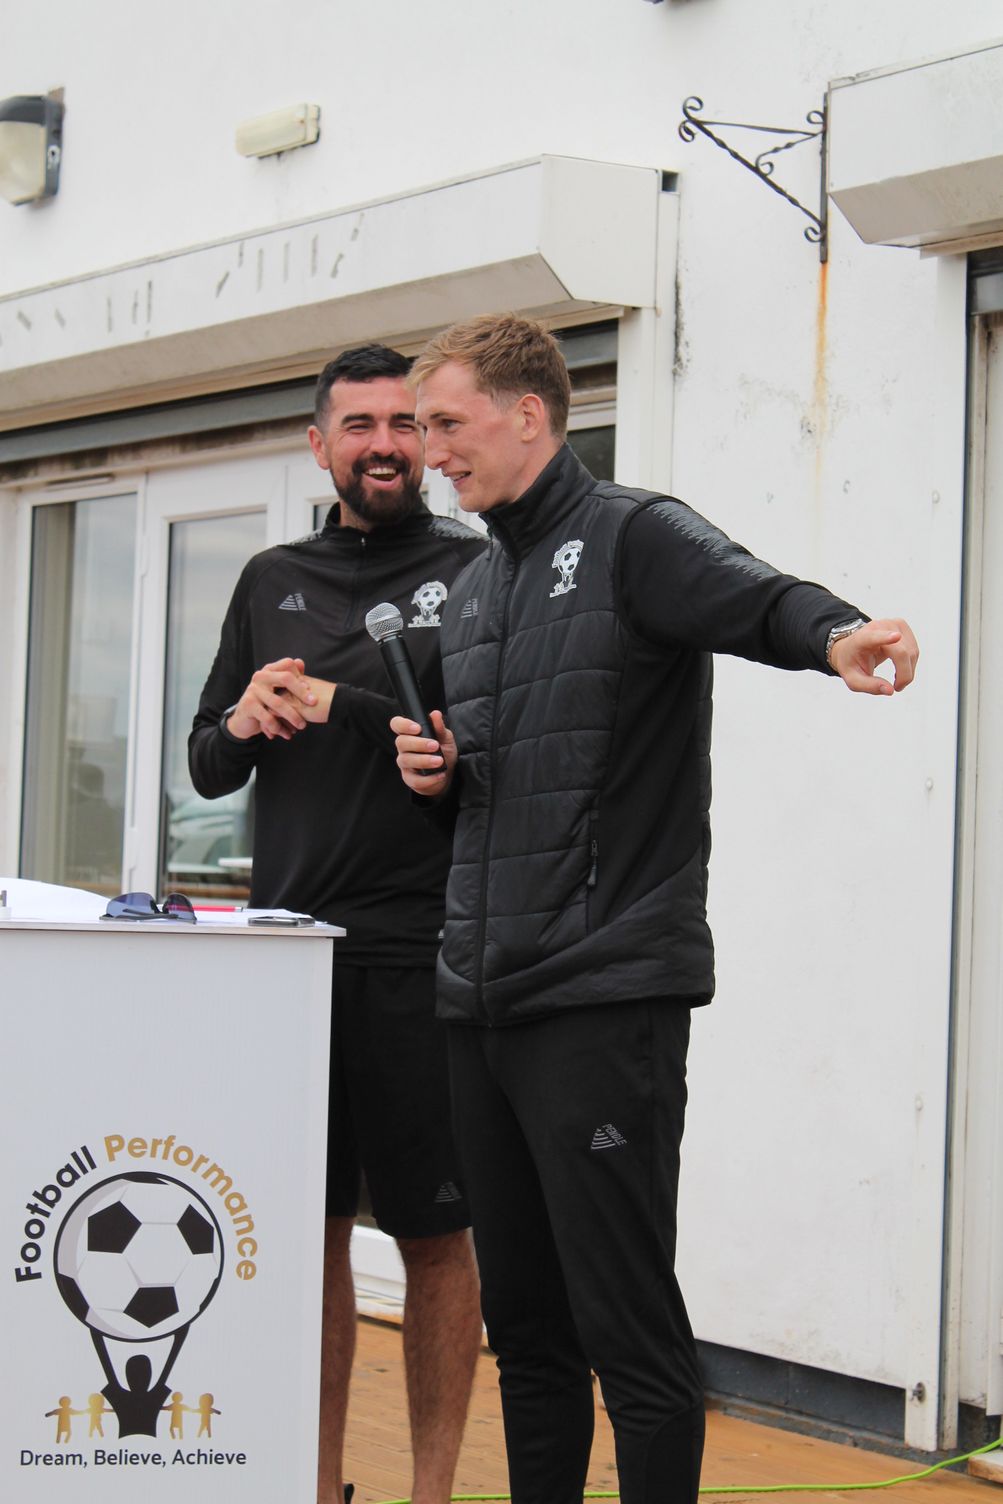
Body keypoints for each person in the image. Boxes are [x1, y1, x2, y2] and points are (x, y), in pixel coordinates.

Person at [390, 314, 919, 1504]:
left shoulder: (631, 535)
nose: (431, 452)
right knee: (528, 1334)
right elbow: (498, 807)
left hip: (601, 998)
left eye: (447, 423)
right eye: (422, 428)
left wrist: (838, 632)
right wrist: (438, 780)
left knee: (625, 1331)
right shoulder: (469, 590)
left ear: (528, 414)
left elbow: (755, 596)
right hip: (480, 1005)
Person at [188, 344, 486, 1504]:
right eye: (359, 424)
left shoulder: (476, 569)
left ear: (429, 441)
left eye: (405, 423)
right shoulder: (271, 576)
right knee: (307, 1237)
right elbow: (205, 763)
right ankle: (317, 1486)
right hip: (287, 957)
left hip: (421, 954)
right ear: (319, 445)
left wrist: (337, 703)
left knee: (435, 1240)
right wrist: (247, 716)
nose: (385, 443)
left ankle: (430, 1492)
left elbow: (482, 762)